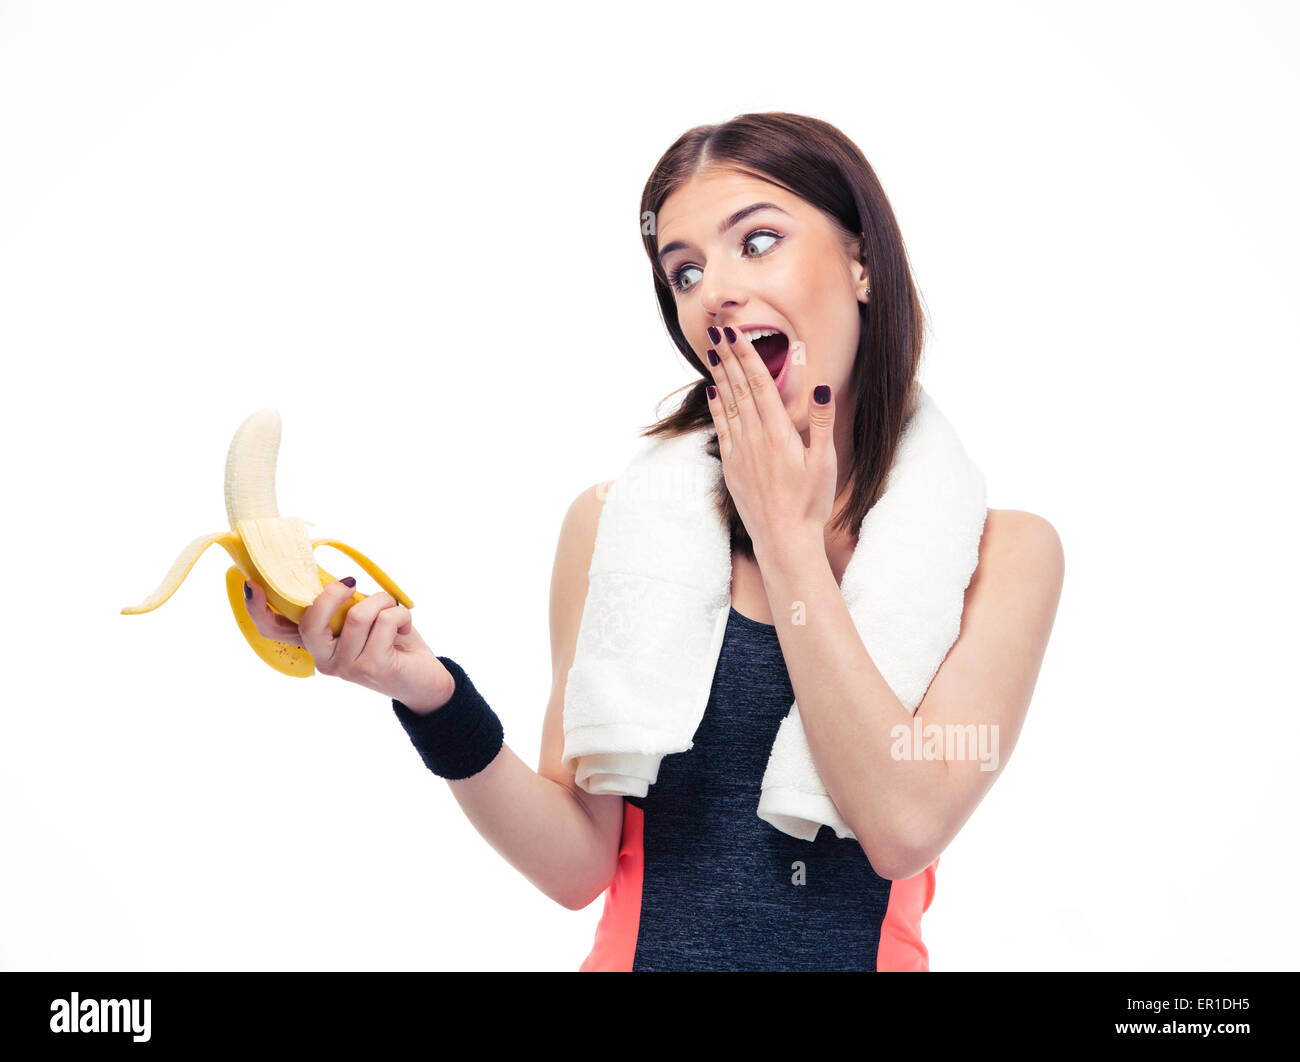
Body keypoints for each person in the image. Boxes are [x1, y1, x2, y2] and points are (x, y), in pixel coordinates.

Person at [242, 111, 1064, 971]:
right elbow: (575, 865)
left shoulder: (1000, 558)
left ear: (862, 261)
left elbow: (902, 826)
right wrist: (428, 694)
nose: (715, 291)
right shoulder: (613, 527)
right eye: (686, 271)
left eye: (758, 241)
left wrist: (786, 541)